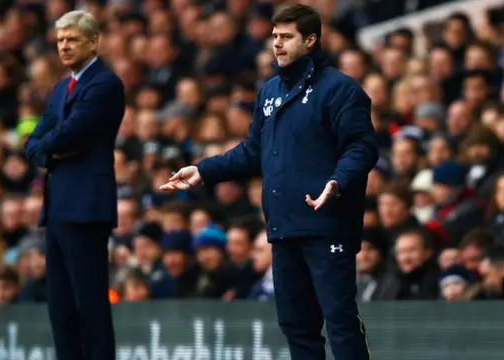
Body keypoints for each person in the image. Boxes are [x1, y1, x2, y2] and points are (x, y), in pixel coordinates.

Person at [160, 4, 377, 360]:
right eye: (274, 36)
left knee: (339, 321)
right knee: (295, 325)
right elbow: (252, 151)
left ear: (310, 40)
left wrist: (337, 182)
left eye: (286, 37)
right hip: (283, 228)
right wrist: (204, 170)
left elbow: (362, 146)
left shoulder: (341, 89)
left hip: (327, 225)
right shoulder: (270, 91)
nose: (277, 44)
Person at [23, 10, 124, 360]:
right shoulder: (60, 88)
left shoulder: (105, 84)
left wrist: (46, 148)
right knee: (61, 309)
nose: (64, 47)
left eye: (72, 40)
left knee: (90, 307)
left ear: (93, 41)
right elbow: (34, 141)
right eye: (60, 41)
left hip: (86, 207)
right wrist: (49, 152)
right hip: (58, 208)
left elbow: (71, 133)